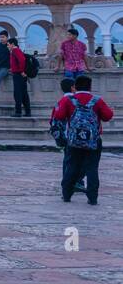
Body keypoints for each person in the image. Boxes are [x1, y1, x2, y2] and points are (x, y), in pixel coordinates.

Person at [53, 76, 112, 205]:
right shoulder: (97, 100)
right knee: (92, 168)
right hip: (93, 141)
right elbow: (108, 116)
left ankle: (67, 194)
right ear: (90, 87)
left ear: (76, 86)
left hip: (73, 141)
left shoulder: (68, 100)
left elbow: (59, 116)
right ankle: (92, 197)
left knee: (71, 166)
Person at [9, 38, 32, 117]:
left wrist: (21, 71)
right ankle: (27, 111)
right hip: (18, 74)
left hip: (18, 74)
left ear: (12, 44)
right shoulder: (16, 51)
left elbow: (22, 60)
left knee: (18, 93)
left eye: (8, 44)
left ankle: (18, 111)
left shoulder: (15, 50)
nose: (8, 46)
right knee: (23, 93)